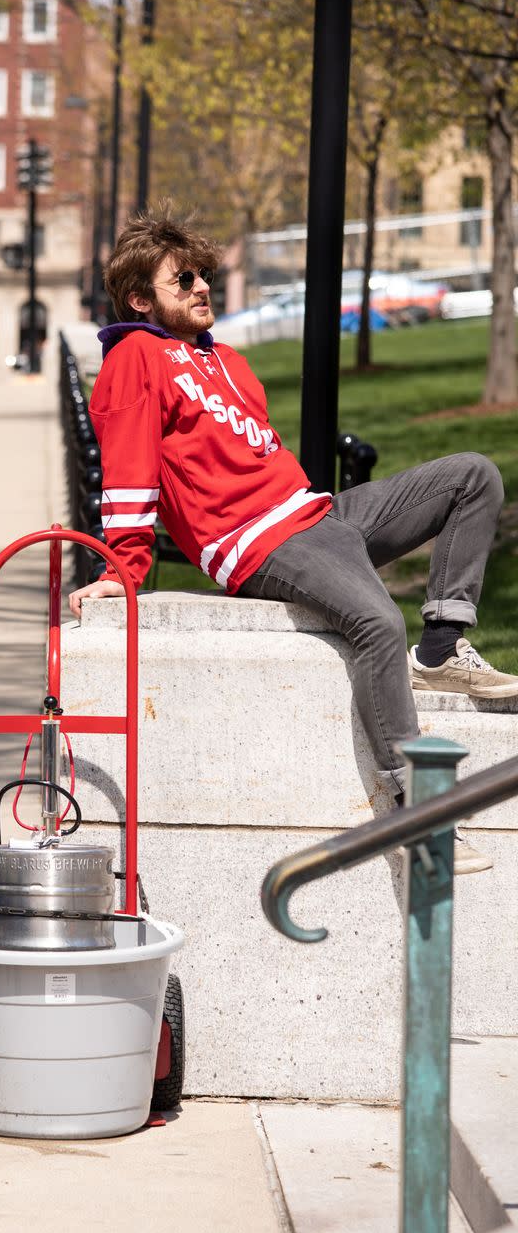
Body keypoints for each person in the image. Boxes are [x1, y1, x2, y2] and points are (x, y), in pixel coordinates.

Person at [68, 204, 518, 872]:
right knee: (374, 624)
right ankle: (419, 813)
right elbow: (130, 473)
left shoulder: (229, 362)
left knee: (471, 477)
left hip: (320, 516)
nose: (200, 287)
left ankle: (443, 647)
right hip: (258, 542)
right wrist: (124, 568)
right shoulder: (136, 357)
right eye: (180, 280)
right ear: (140, 300)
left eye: (201, 274)